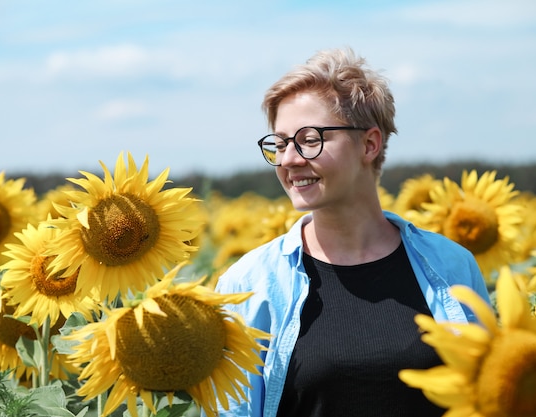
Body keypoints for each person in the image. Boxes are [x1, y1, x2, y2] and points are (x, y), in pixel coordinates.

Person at [210, 47, 491, 417]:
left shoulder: (452, 267)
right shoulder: (248, 284)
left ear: (370, 144)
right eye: (279, 144)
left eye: (310, 139)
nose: (289, 160)